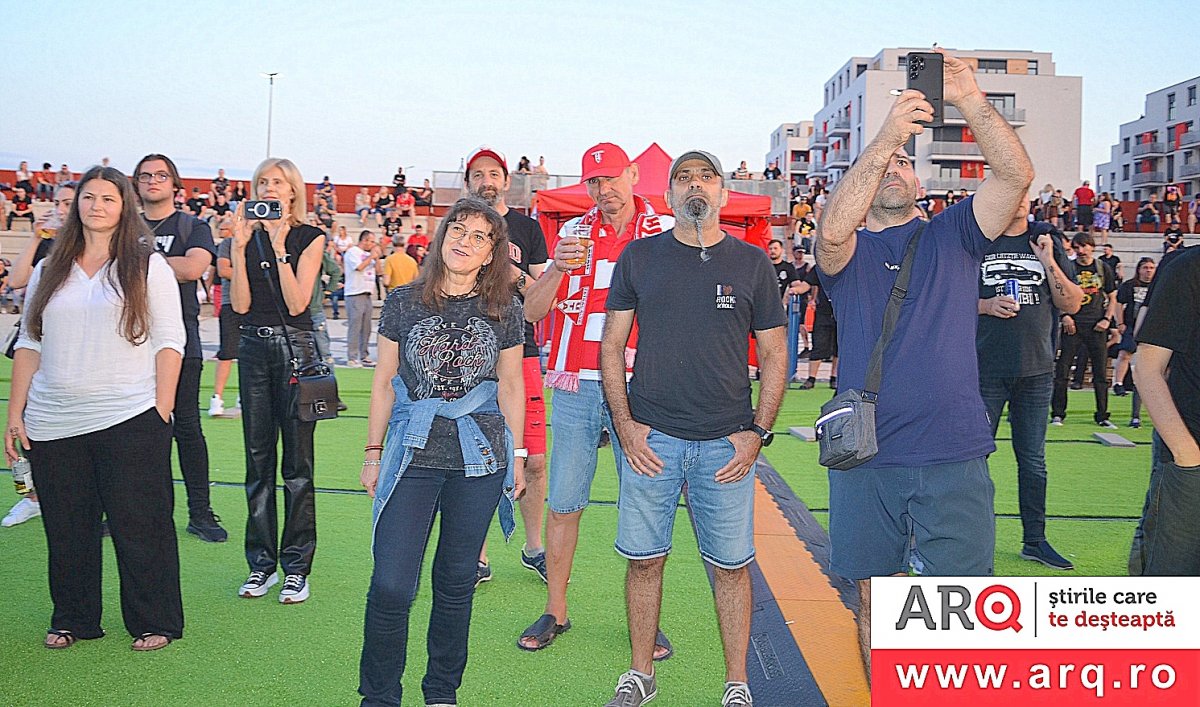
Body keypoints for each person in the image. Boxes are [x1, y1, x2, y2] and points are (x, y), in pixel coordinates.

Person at [814, 49, 1034, 680]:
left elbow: (1015, 176)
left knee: (960, 607)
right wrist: (886, 138)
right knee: (873, 600)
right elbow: (831, 233)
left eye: (905, 163)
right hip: (867, 455)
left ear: (921, 185)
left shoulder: (954, 233)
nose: (894, 168)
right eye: (885, 163)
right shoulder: (848, 252)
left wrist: (967, 97)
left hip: (953, 450)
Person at [600, 150, 787, 707]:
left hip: (726, 444)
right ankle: (641, 675)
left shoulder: (753, 264)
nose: (694, 185)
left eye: (706, 177)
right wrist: (625, 425)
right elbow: (611, 346)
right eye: (683, 178)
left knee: (731, 568)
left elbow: (775, 354)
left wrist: (757, 432)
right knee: (644, 560)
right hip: (651, 440)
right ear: (668, 197)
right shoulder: (639, 257)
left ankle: (737, 684)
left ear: (723, 194)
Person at [5, 166, 186, 651]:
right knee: (67, 529)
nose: (97, 206)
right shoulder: (49, 268)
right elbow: (30, 342)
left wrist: (161, 409)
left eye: (108, 198)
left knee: (141, 526)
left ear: (125, 206)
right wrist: (16, 413)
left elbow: (171, 341)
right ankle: (73, 618)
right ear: (76, 205)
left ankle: (154, 621)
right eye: (88, 197)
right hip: (53, 421)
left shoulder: (147, 266)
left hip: (130, 416)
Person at [357, 197, 527, 707]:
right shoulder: (404, 302)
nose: (465, 241)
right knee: (391, 585)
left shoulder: (505, 308)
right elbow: (384, 382)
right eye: (458, 228)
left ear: (491, 252)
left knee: (455, 583)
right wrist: (372, 452)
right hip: (412, 456)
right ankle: (379, 698)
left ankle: (441, 693)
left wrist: (517, 457)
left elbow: (511, 386)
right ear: (442, 235)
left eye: (479, 236)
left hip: (479, 458)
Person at [519, 142, 674, 661]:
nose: (604, 189)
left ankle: (646, 620)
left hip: (641, 383)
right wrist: (556, 270)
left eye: (610, 178)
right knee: (564, 500)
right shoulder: (572, 232)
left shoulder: (664, 230)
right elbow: (533, 311)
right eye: (594, 181)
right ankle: (556, 609)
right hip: (577, 382)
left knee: (645, 501)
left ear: (632, 174)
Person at [230, 158, 326, 603]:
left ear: (293, 191)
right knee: (257, 461)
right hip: (253, 349)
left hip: (295, 352)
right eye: (263, 182)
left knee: (297, 466)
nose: (269, 188)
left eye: (278, 182)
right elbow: (240, 305)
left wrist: (280, 247)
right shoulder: (246, 238)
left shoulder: (310, 237)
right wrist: (238, 250)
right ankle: (261, 564)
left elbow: (297, 302)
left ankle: (297, 567)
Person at [977, 200, 1083, 570]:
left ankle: (1035, 541)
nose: (1019, 198)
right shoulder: (981, 239)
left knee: (1033, 462)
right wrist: (986, 306)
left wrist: (1048, 259)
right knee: (974, 460)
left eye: (1025, 191)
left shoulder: (1046, 239)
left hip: (1036, 372)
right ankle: (972, 542)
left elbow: (1072, 303)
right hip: (985, 370)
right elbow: (947, 298)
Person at [464, 145, 550, 584]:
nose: (486, 181)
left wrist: (509, 269)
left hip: (522, 351)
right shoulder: (459, 227)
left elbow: (540, 297)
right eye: (478, 174)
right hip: (470, 356)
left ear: (506, 180)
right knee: (475, 458)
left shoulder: (528, 229)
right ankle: (476, 555)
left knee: (534, 459)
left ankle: (534, 547)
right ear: (468, 183)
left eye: (493, 173)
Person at [134, 153, 226, 542]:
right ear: (135, 184)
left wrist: (132, 260)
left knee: (186, 428)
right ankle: (134, 512)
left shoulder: (193, 225)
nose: (152, 181)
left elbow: (192, 268)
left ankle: (200, 512)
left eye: (161, 175)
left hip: (180, 340)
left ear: (175, 185)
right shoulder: (124, 225)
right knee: (133, 432)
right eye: (145, 175)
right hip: (129, 342)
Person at [1, 182, 75, 528]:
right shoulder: (47, 241)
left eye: (69, 202)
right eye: (59, 202)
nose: (62, 209)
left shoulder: (97, 243)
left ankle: (74, 495)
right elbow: (16, 280)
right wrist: (34, 238)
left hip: (75, 347)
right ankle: (32, 497)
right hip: (38, 341)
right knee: (28, 421)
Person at [1133, 245, 1200, 575]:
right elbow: (1146, 367)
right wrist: (1187, 454)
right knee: (1173, 581)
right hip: (1191, 455)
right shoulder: (1188, 268)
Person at [1051, 231, 1118, 428]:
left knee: (1100, 373)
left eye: (1084, 246)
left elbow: (1112, 296)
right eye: (1077, 247)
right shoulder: (1068, 267)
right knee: (1063, 370)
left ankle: (1102, 415)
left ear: (1092, 247)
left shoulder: (1102, 268)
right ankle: (1058, 413)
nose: (1080, 250)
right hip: (1073, 325)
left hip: (1096, 325)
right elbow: (1058, 293)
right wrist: (1065, 316)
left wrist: (1107, 319)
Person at [1112, 257, 1155, 399]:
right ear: (1139, 270)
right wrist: (1120, 323)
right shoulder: (1130, 285)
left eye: (1151, 268)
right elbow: (1119, 303)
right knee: (1125, 353)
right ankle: (1118, 383)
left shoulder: (1157, 286)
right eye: (1145, 267)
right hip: (1131, 324)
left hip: (1151, 326)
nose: (1148, 271)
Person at [210, 232, 240, 416]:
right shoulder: (228, 244)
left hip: (257, 303)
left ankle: (244, 395)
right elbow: (223, 270)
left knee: (253, 355)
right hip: (231, 303)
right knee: (226, 352)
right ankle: (217, 397)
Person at [344, 229, 382, 367]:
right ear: (364, 240)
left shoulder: (368, 255)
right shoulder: (353, 252)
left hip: (367, 293)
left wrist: (376, 258)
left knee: (366, 328)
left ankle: (364, 355)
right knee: (355, 327)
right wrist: (371, 257)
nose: (372, 244)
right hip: (355, 293)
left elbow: (379, 272)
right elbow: (359, 267)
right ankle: (352, 357)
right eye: (371, 241)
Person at [798, 263, 836, 388]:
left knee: (839, 348)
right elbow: (806, 284)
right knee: (818, 344)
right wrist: (795, 290)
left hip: (842, 312)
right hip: (823, 313)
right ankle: (811, 378)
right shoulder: (820, 267)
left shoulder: (847, 266)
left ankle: (834, 377)